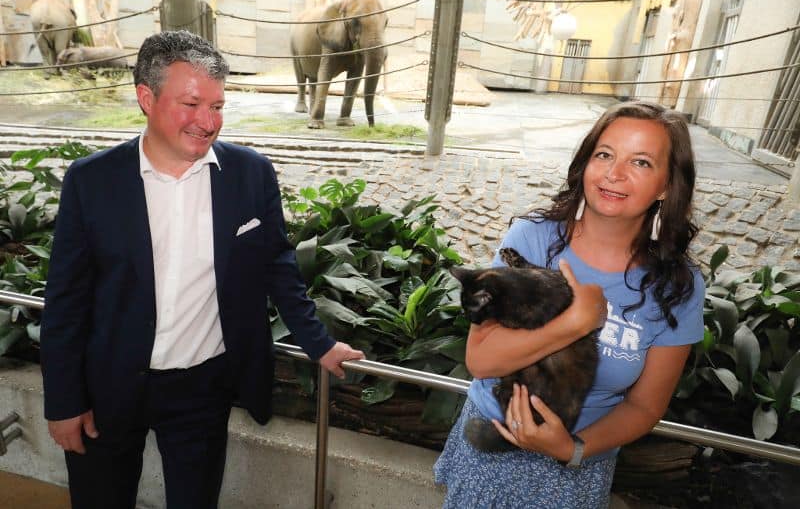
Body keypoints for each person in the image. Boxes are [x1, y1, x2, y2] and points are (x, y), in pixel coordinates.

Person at [39, 30, 364, 509]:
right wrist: (64, 402)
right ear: (146, 99)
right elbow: (66, 301)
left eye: (217, 106)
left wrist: (318, 342)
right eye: (192, 104)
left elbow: (276, 264)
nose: (208, 122)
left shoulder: (250, 173)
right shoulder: (92, 180)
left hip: (202, 389)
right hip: (107, 385)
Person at [434, 100, 705, 508]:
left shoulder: (677, 285)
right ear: (585, 163)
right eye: (605, 155)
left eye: (642, 163)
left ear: (667, 185)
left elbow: (645, 406)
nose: (615, 174)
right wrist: (576, 322)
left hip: (579, 464)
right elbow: (482, 360)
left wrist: (571, 448)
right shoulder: (531, 241)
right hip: (490, 444)